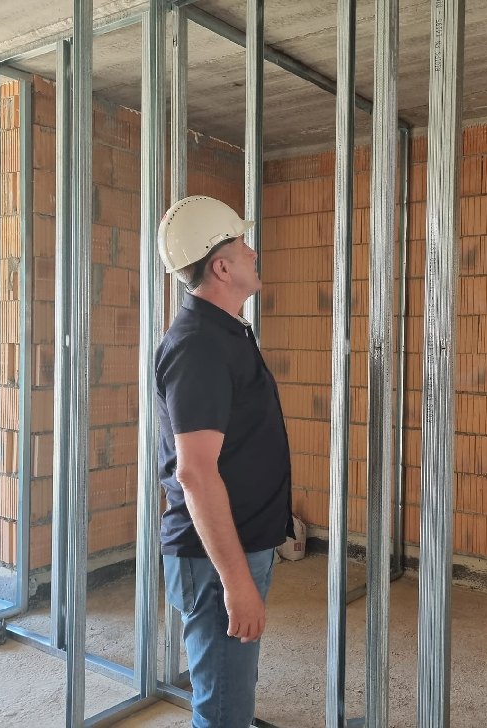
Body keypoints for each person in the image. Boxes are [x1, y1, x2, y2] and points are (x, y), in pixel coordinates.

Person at [155, 195, 293, 728]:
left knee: (231, 694)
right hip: (215, 560)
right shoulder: (200, 347)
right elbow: (195, 472)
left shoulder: (224, 331)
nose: (253, 252)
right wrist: (236, 584)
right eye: (242, 244)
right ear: (221, 267)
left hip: (235, 546)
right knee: (223, 711)